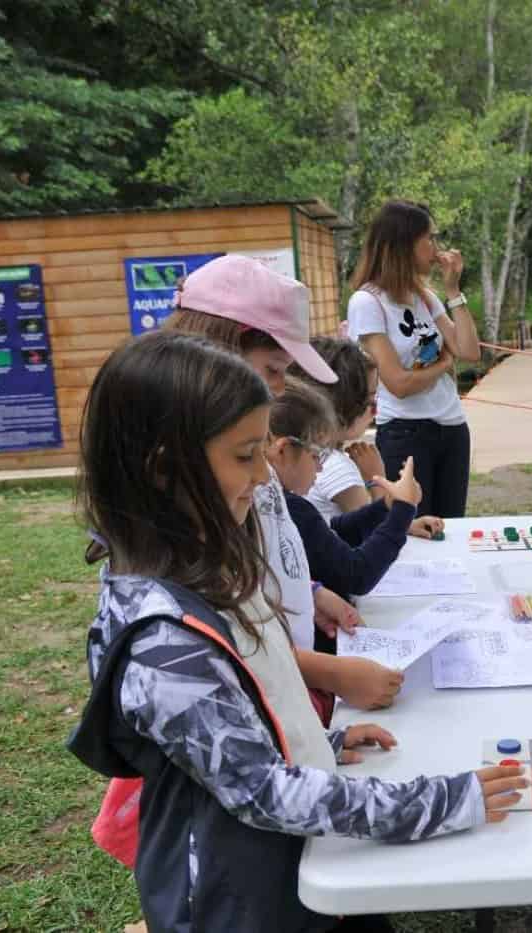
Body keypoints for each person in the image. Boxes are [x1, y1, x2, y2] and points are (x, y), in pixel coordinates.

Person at [68, 331, 526, 933]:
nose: (264, 476)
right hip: (245, 903)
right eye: (244, 456)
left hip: (291, 868)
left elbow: (238, 718)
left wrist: (316, 742)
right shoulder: (162, 645)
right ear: (162, 469)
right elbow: (263, 791)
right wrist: (440, 802)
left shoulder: (201, 563)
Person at [162, 254, 402, 716]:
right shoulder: (197, 484)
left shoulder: (247, 455)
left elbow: (261, 560)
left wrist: (309, 592)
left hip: (286, 685)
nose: (279, 389)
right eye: (273, 369)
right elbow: (219, 636)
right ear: (220, 351)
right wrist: (329, 672)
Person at [346, 201, 480, 518]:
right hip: (405, 433)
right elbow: (398, 384)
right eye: (429, 238)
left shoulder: (424, 296)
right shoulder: (368, 302)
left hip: (452, 428)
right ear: (404, 243)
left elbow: (469, 351)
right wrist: (444, 365)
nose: (436, 248)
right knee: (411, 527)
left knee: (451, 528)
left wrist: (453, 291)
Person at [268, 377, 419, 602]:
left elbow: (333, 531)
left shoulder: (279, 502)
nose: (320, 467)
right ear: (284, 451)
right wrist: (403, 511)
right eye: (317, 455)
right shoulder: (290, 508)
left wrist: (385, 506)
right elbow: (357, 575)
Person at [292, 335, 444, 540]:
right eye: (370, 401)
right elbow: (373, 534)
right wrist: (377, 479)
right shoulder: (337, 467)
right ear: (342, 404)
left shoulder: (308, 455)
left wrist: (407, 525)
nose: (375, 411)